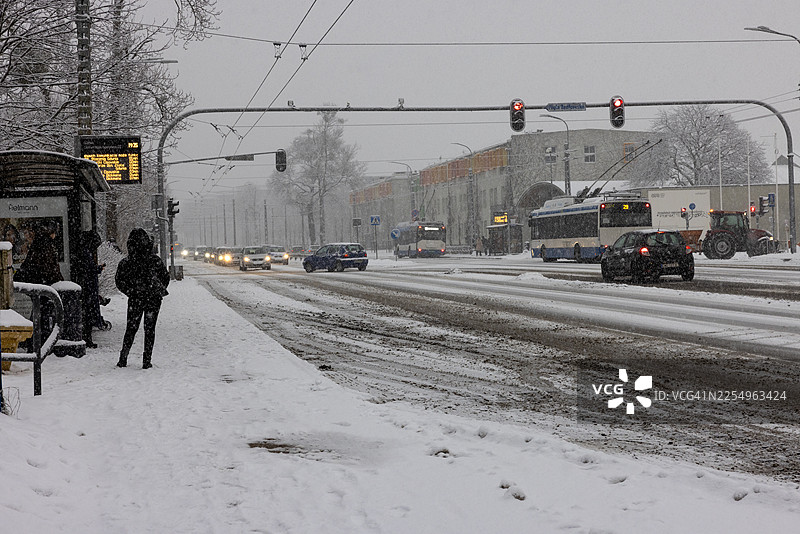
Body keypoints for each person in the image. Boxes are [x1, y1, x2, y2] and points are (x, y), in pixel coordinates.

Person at [115, 228, 170, 369]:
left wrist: (131, 292)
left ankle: (123, 358)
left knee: (131, 328)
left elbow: (119, 281)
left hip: (135, 299)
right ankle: (146, 360)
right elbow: (165, 277)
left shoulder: (126, 263)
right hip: (153, 299)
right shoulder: (154, 260)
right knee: (149, 329)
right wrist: (156, 290)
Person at [14, 221, 63, 341]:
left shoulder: (38, 243)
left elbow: (34, 264)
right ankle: (38, 340)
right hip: (43, 283)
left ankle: (34, 339)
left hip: (36, 282)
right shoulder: (47, 245)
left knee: (39, 312)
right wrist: (58, 279)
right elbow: (49, 267)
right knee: (43, 313)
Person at [78, 230, 104, 348]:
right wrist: (97, 269)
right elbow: (89, 269)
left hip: (87, 286)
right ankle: (87, 338)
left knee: (87, 313)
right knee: (88, 314)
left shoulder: (83, 250)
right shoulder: (85, 252)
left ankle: (87, 338)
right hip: (88, 287)